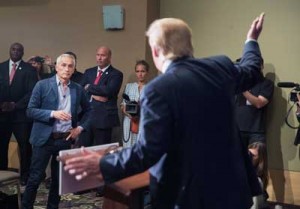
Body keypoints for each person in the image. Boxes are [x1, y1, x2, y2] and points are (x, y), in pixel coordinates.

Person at [64, 13, 265, 209]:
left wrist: (103, 163)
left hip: (188, 196)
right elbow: (253, 69)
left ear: (155, 51)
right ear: (190, 46)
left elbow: (148, 152)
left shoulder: (158, 89)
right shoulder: (220, 67)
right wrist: (251, 41)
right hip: (232, 190)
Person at [22, 53, 91, 209]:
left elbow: (89, 111)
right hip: (44, 139)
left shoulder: (78, 89)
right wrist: (52, 113)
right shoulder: (42, 85)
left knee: (58, 181)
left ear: (74, 69)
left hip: (64, 140)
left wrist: (79, 128)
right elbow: (30, 111)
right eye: (63, 65)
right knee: (35, 178)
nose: (67, 69)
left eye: (70, 66)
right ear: (57, 67)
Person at [0, 42, 38, 186]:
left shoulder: (29, 70)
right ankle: (2, 173)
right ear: (9, 51)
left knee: (24, 147)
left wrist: (16, 105)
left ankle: (24, 176)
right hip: (2, 115)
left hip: (21, 116)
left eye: (19, 50)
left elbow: (32, 92)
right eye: (13, 49)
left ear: (22, 53)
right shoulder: (1, 67)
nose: (15, 52)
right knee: (1, 145)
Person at [79, 46, 123, 147]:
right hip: (86, 118)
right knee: (82, 150)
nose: (99, 58)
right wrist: (94, 95)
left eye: (102, 55)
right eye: (98, 55)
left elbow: (109, 91)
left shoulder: (116, 74)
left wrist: (89, 86)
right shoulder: (89, 72)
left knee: (101, 151)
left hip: (103, 119)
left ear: (109, 57)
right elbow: (80, 89)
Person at [235, 58, 274, 147]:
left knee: (256, 160)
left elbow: (259, 103)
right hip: (236, 130)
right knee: (237, 160)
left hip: (256, 132)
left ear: (261, 66)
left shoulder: (266, 83)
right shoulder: (237, 82)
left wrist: (242, 88)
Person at [121, 60, 149, 148]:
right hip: (129, 122)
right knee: (127, 149)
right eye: (138, 71)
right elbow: (123, 105)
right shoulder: (129, 86)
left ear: (147, 72)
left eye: (142, 71)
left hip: (143, 123)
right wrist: (129, 114)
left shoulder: (151, 87)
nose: (140, 74)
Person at [248, 142, 269, 209]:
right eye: (248, 154)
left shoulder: (258, 179)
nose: (249, 157)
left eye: (253, 156)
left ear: (260, 159)